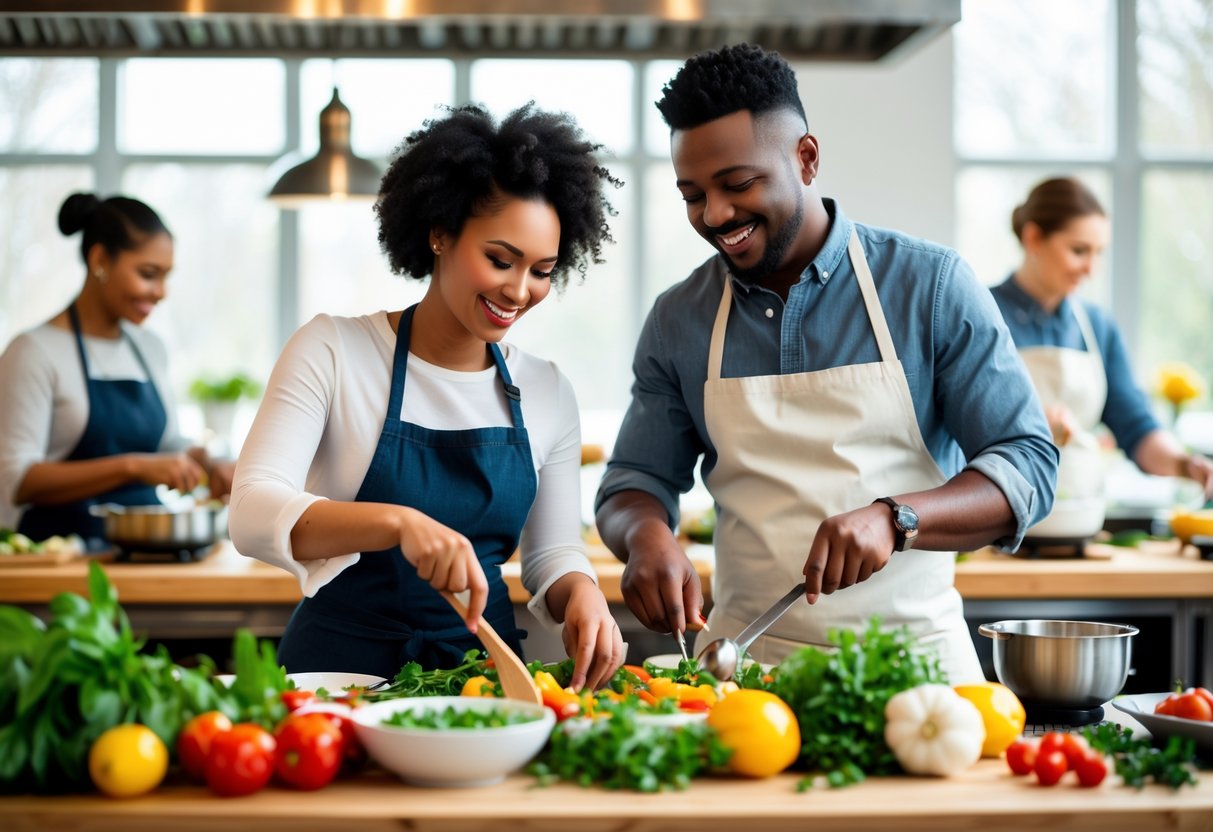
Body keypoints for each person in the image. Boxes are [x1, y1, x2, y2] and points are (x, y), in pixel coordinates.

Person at [594, 43, 1059, 683]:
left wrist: (897, 519)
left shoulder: (931, 286)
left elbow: (1027, 465)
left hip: (916, 677)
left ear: (806, 158)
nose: (716, 215)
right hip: (744, 677)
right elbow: (632, 484)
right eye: (693, 194)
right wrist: (648, 540)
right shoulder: (681, 317)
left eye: (738, 184)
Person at [229, 103, 625, 690]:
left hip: (479, 680)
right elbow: (251, 512)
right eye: (500, 259)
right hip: (335, 677)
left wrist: (583, 592)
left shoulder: (546, 390)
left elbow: (552, 555)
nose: (519, 292)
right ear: (439, 232)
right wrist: (397, 523)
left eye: (542, 270)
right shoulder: (334, 351)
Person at [0, 192, 236, 547]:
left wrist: (207, 460)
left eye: (165, 277)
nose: (160, 292)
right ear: (100, 260)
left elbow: (168, 443)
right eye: (148, 274)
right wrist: (133, 467)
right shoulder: (33, 351)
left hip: (144, 548)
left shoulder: (149, 348)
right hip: (61, 556)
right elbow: (15, 481)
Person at [991, 177, 1213, 506]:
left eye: (1099, 253)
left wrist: (1186, 464)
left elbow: (1135, 425)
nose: (1091, 269)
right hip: (995, 521)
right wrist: (1031, 420)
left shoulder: (1097, 326)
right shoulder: (983, 315)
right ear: (1034, 238)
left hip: (1079, 515)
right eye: (1079, 250)